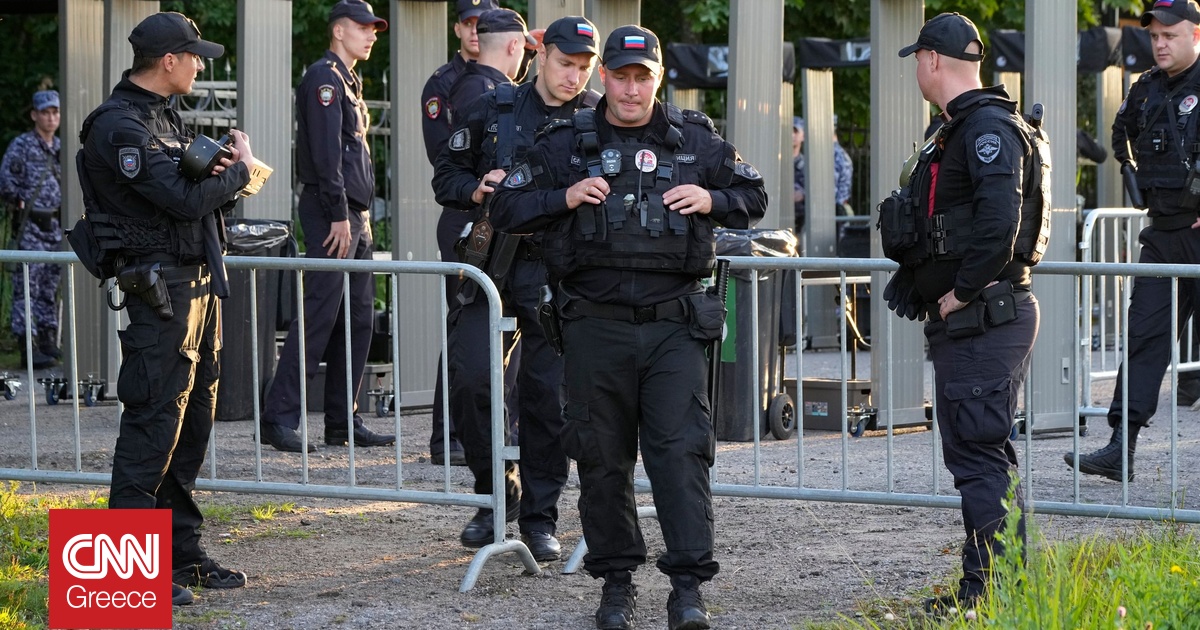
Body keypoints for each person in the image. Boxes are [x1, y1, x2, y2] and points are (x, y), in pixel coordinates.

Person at [491, 25, 766, 630]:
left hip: (674, 328)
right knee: (602, 460)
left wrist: (711, 200)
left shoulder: (694, 140)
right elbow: (505, 207)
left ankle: (688, 590)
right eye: (620, 76)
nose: (631, 89)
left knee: (680, 456)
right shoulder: (565, 141)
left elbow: (755, 193)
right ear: (605, 77)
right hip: (593, 327)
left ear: (658, 78)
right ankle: (616, 586)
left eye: (643, 77)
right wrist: (561, 197)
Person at [77, 11, 255, 606]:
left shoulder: (162, 117)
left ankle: (179, 553)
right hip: (160, 293)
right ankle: (123, 580)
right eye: (195, 56)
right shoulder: (118, 126)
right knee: (153, 422)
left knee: (192, 426)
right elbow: (180, 200)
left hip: (197, 286)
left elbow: (192, 194)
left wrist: (225, 176)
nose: (201, 65)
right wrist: (243, 172)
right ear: (169, 61)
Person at [886, 12, 1045, 613]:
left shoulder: (986, 130)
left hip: (985, 319)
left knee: (979, 459)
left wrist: (961, 292)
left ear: (931, 60)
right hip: (980, 320)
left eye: (918, 63)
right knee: (983, 457)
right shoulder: (960, 126)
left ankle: (994, 596)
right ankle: (995, 589)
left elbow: (999, 223)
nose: (917, 73)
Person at [433, 15, 600, 561]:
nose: (573, 76)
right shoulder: (494, 107)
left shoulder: (600, 118)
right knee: (473, 384)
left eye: (584, 67)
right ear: (540, 53)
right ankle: (496, 492)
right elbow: (446, 176)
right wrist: (474, 187)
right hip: (497, 265)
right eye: (564, 63)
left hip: (562, 272)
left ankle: (539, 518)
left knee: (547, 400)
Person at [1065, 0, 1200, 482]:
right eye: (1155, 36)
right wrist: (1131, 174)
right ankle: (1121, 448)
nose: (1160, 43)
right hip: (1164, 237)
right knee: (1143, 339)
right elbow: (1120, 135)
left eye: (1171, 35)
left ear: (1196, 35)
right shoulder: (1144, 89)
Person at [259, 0, 393, 453]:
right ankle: (279, 417)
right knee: (318, 315)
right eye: (363, 28)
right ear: (339, 31)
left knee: (358, 319)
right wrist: (338, 212)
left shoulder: (349, 81)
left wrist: (354, 216)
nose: (372, 35)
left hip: (354, 215)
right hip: (330, 210)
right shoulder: (324, 78)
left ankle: (343, 419)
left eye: (374, 28)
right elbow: (325, 153)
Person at [419, 0, 499, 467]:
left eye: (484, 26)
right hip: (464, 211)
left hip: (501, 217)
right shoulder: (446, 84)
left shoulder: (511, 85)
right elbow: (444, 156)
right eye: (471, 24)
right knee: (464, 325)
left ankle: (486, 432)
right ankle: (445, 436)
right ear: (459, 28)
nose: (476, 32)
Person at [0, 89, 62, 369]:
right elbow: (6, 179)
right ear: (35, 115)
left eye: (55, 112)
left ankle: (48, 341)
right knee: (28, 286)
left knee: (50, 286)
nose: (51, 117)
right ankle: (28, 345)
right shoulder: (22, 145)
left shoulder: (60, 147)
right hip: (30, 226)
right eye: (45, 112)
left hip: (56, 226)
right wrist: (17, 199)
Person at [792, 116, 806, 233]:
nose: (792, 135)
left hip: (802, 221)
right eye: (789, 131)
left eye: (796, 131)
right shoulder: (775, 164)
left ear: (803, 136)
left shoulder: (808, 166)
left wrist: (803, 195)